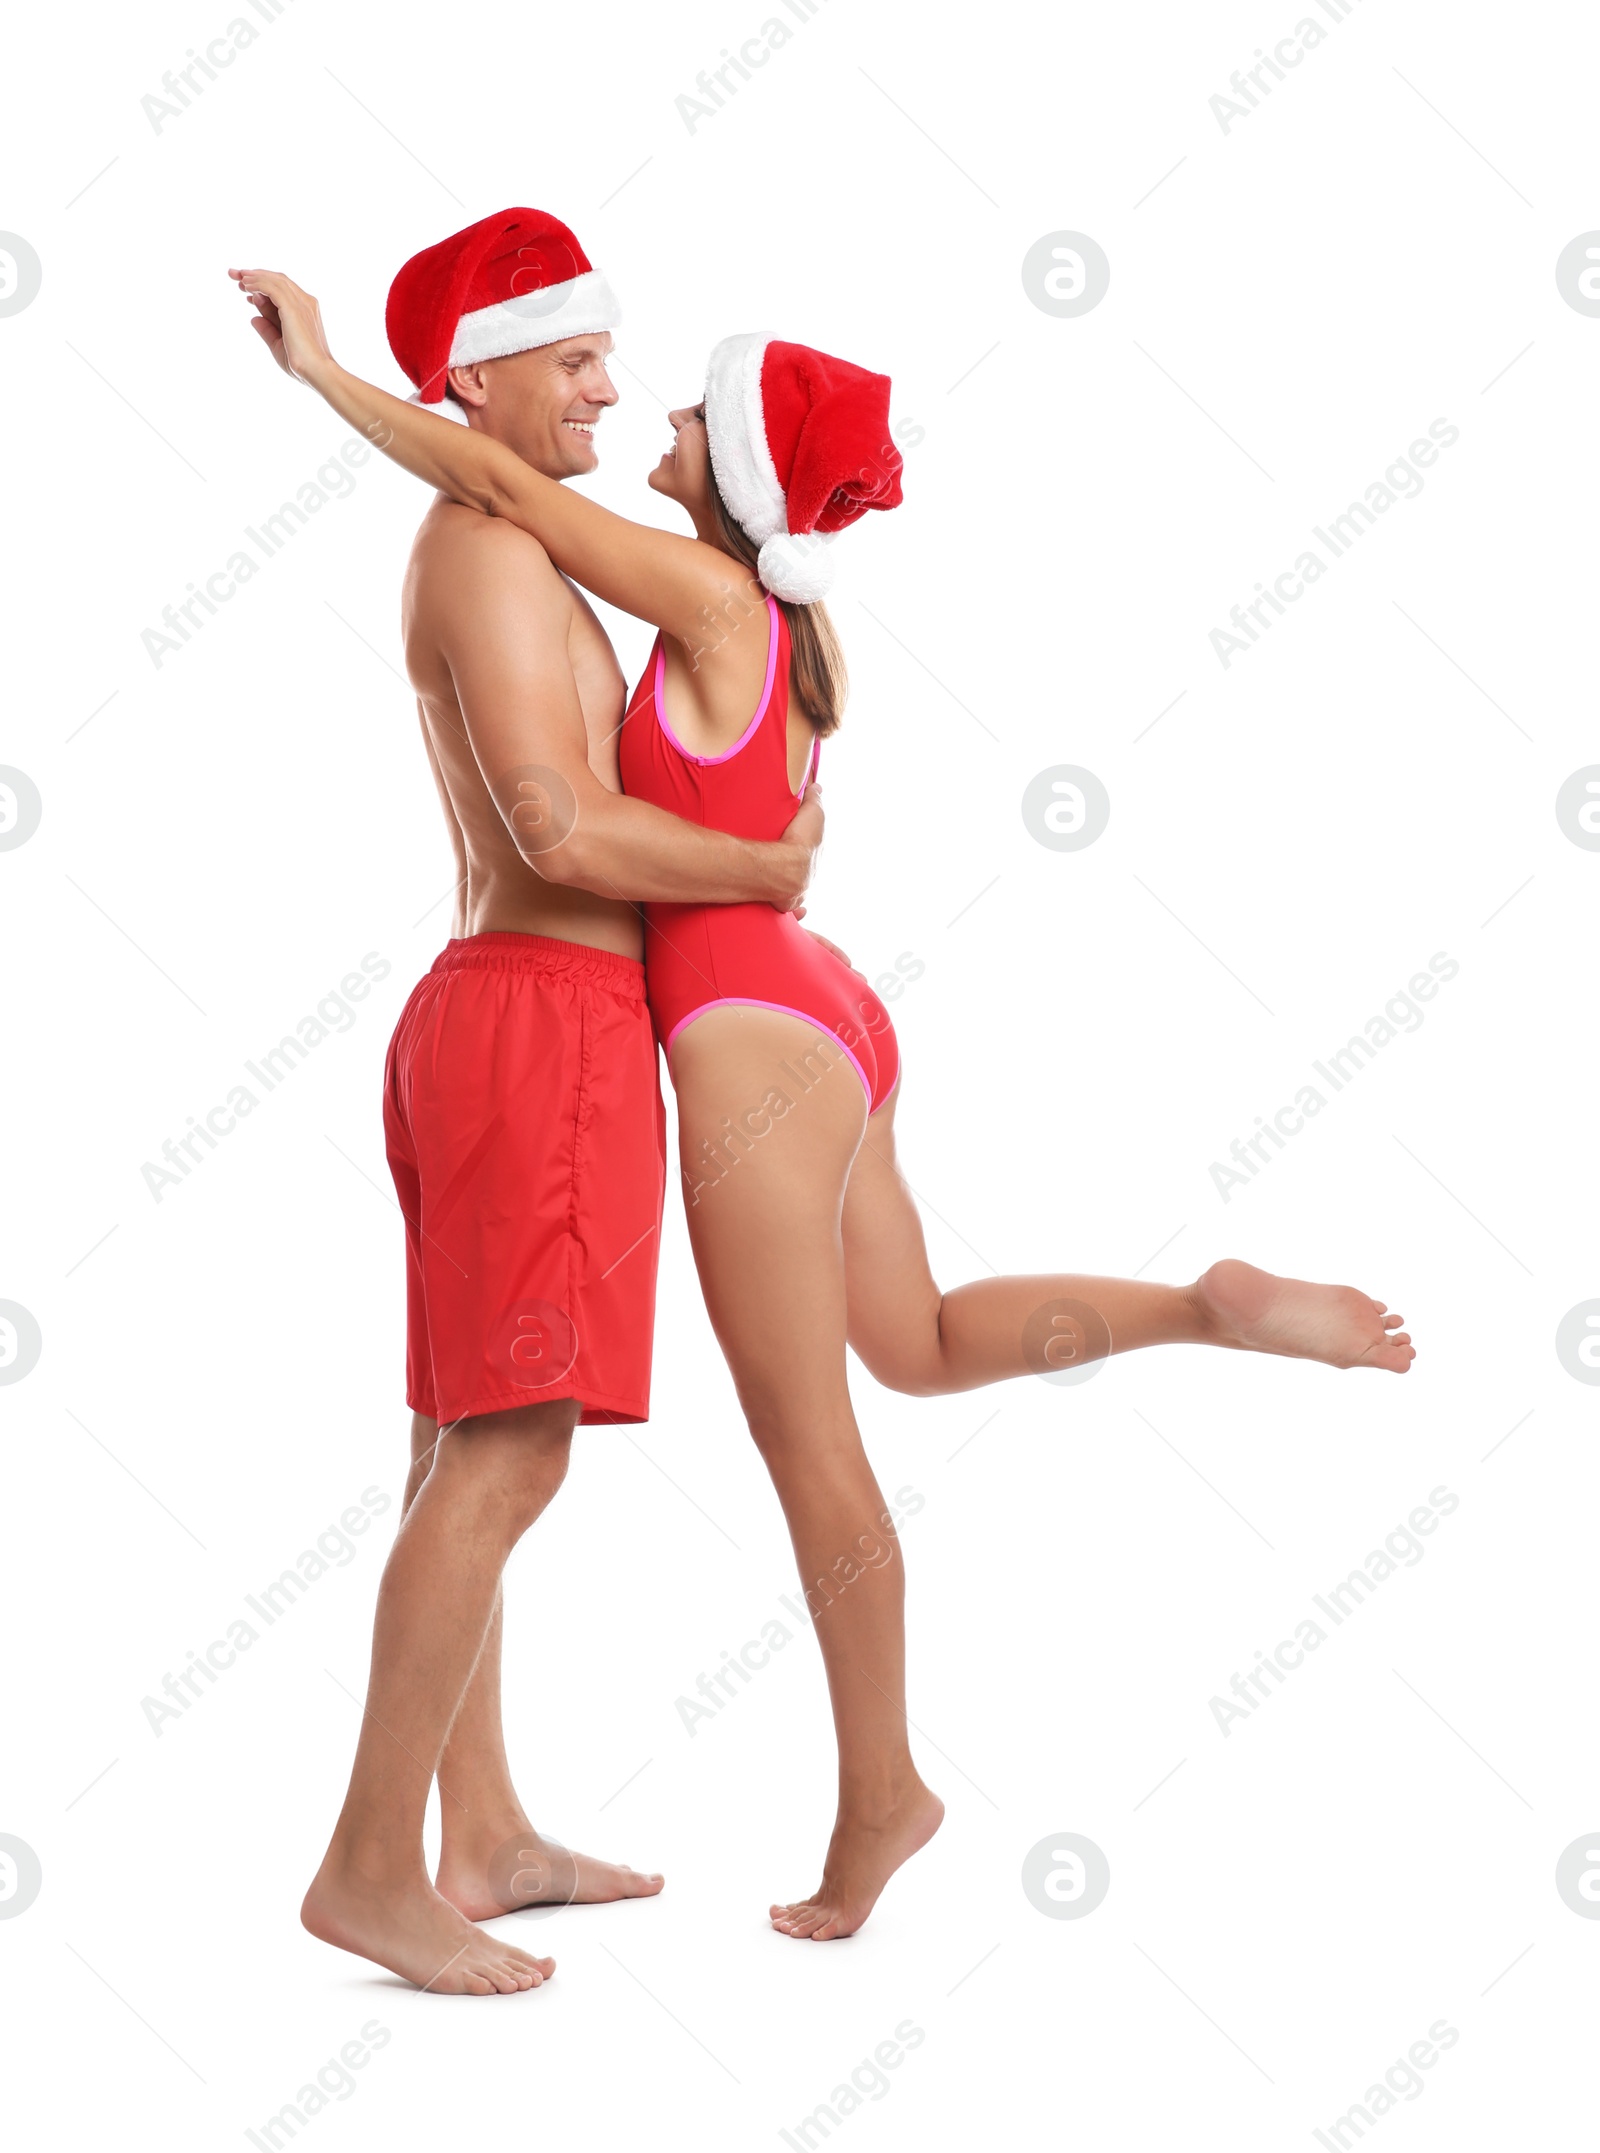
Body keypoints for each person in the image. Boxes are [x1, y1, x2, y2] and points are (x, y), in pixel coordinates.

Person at [232, 262, 1416, 1946]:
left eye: (691, 409)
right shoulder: (770, 621)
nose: (647, 408)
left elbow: (490, 486)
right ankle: (1198, 1303)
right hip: (816, 1004)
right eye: (592, 364)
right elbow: (493, 492)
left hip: (740, 1029)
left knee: (810, 1444)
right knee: (917, 1339)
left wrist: (332, 378)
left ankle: (881, 1792)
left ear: (745, 479)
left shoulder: (714, 602)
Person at [234, 212, 825, 1995]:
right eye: (572, 359)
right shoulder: (489, 561)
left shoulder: (511, 538)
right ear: (479, 373)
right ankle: (365, 1862)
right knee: (512, 1446)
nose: (605, 387)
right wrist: (761, 860)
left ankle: (476, 1832)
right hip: (536, 1021)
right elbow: (561, 830)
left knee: (460, 1437)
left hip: (515, 1019)